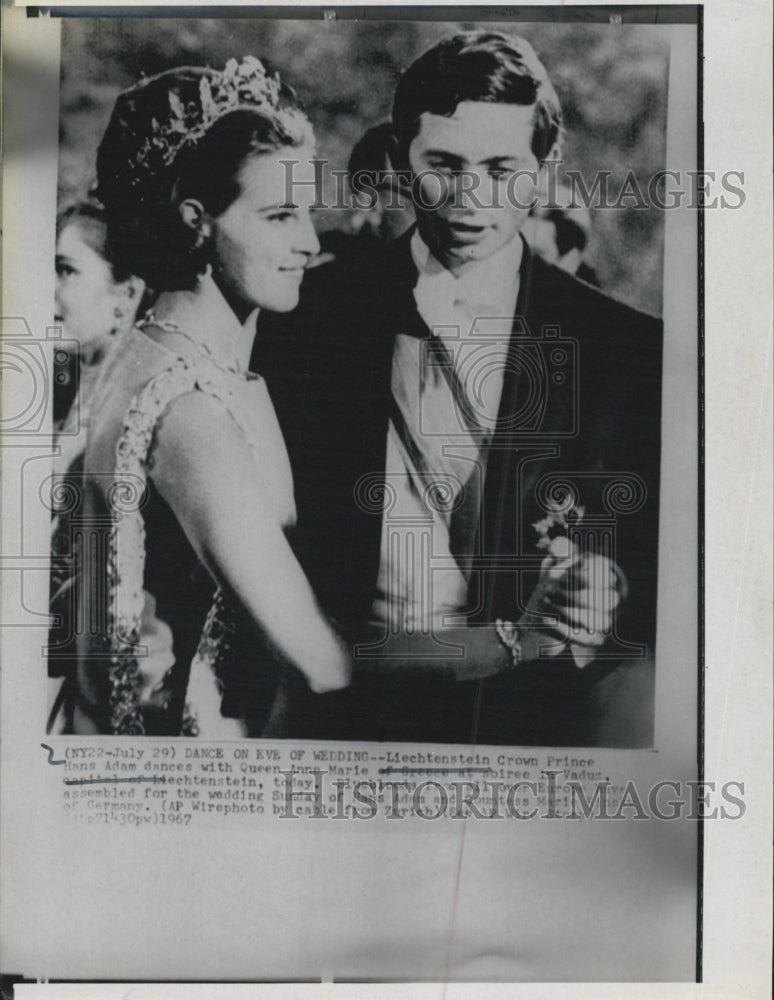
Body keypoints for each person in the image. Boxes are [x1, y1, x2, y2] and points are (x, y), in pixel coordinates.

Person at [256, 31, 662, 746]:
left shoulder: (626, 346)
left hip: (538, 724)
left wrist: (611, 591)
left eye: (503, 168)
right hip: (341, 716)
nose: (472, 199)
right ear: (400, 163)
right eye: (444, 164)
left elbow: (674, 565)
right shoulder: (304, 317)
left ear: (546, 168)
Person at [62, 57, 351, 736]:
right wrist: (490, 652)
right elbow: (322, 664)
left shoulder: (155, 349)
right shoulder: (189, 413)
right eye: (280, 215)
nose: (309, 243)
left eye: (307, 213)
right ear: (196, 218)